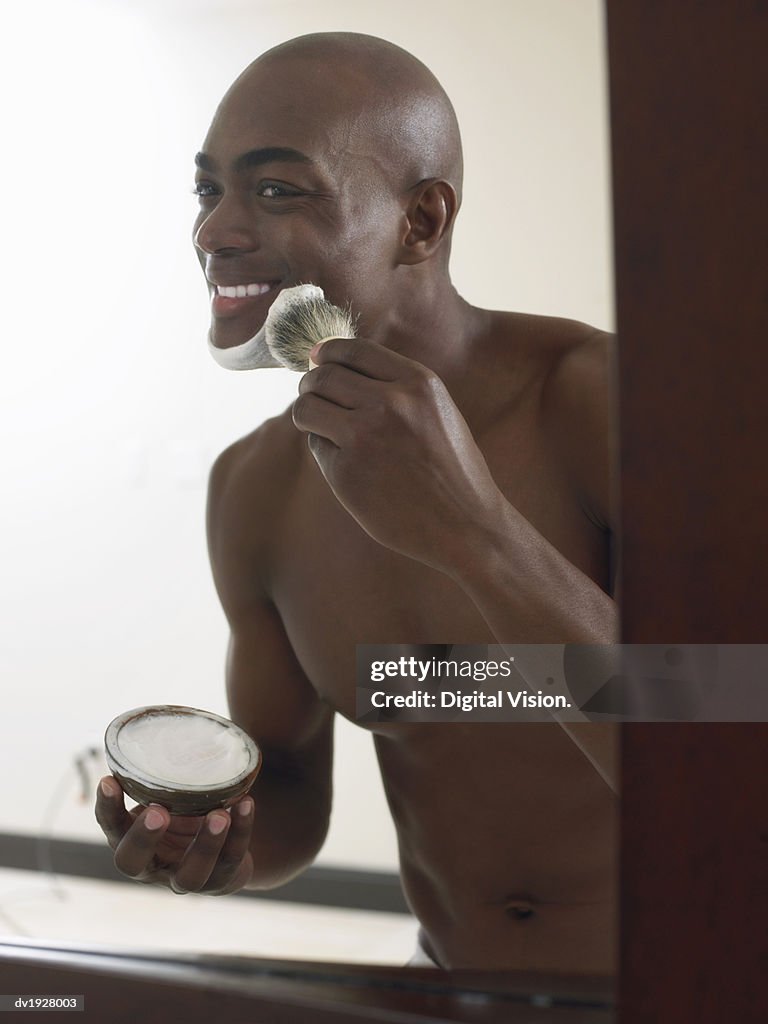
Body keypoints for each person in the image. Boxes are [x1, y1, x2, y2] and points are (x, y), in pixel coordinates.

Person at [96, 32, 619, 973]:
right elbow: (290, 792)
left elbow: (727, 760)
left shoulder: (599, 400)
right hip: (449, 984)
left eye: (278, 189)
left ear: (421, 221)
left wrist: (476, 536)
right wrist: (216, 844)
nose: (214, 230)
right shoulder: (254, 488)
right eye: (208, 188)